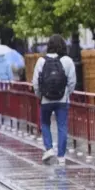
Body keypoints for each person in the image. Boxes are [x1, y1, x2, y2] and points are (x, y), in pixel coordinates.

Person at [32, 35, 76, 165]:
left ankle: (49, 148)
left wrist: (40, 95)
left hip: (46, 99)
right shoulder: (67, 60)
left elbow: (35, 82)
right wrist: (67, 93)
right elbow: (72, 81)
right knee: (62, 126)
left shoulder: (41, 61)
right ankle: (61, 156)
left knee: (45, 123)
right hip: (62, 100)